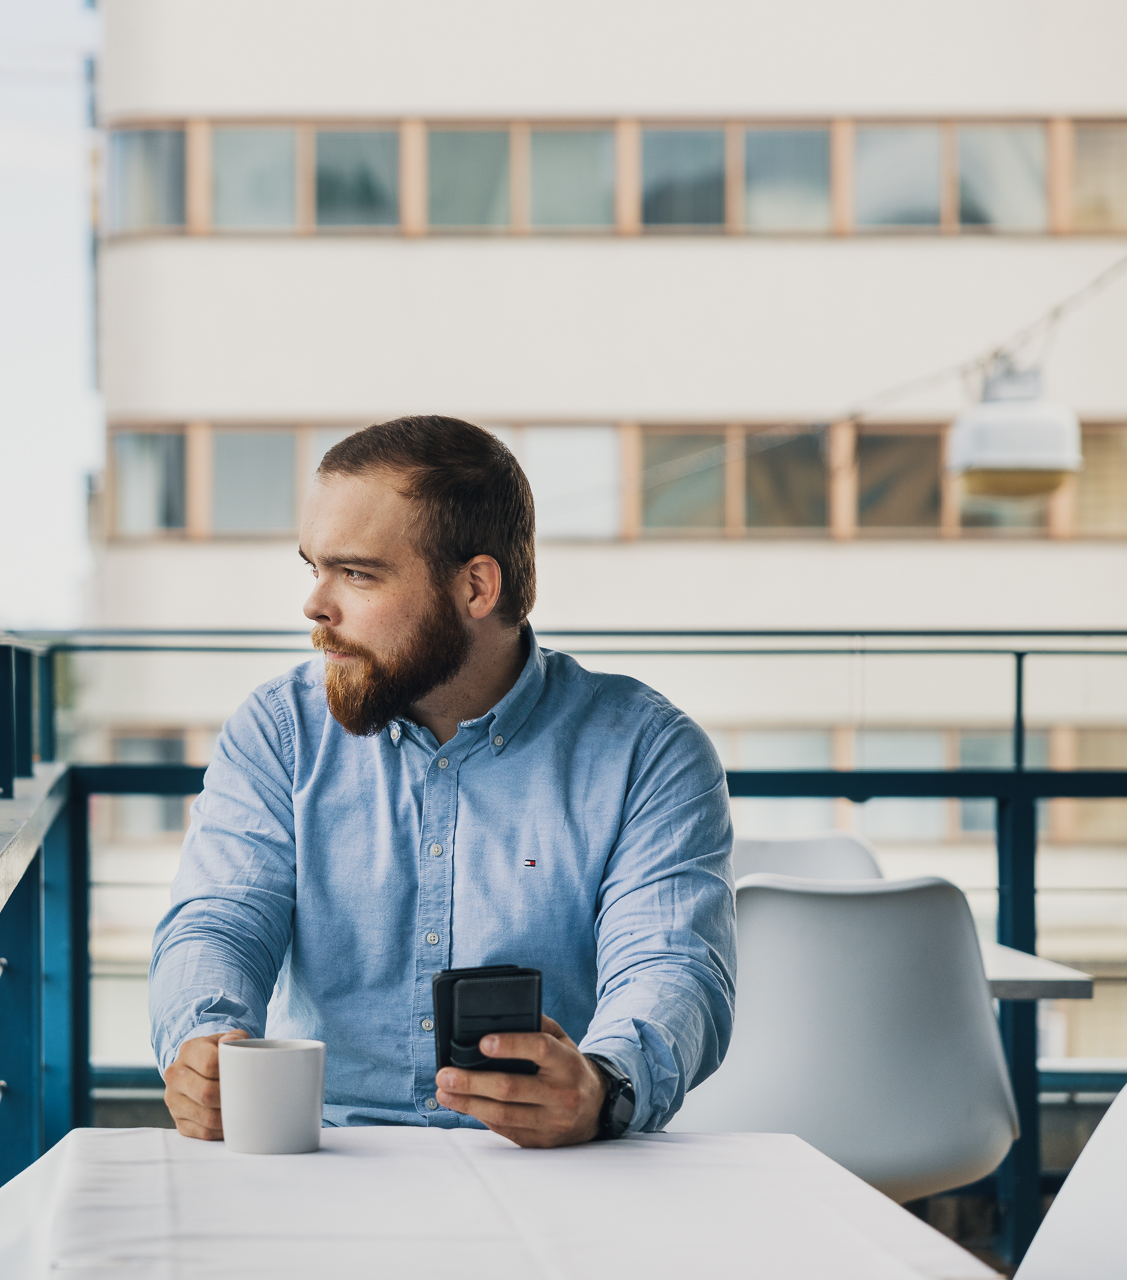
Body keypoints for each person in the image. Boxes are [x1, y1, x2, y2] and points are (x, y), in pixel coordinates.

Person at [151, 415, 735, 1148]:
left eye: (357, 573)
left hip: (556, 1164)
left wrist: (602, 1085)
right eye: (314, 567)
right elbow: (219, 920)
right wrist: (204, 1043)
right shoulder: (279, 730)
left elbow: (671, 964)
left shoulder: (647, 750)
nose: (314, 606)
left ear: (476, 587)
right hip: (324, 1152)